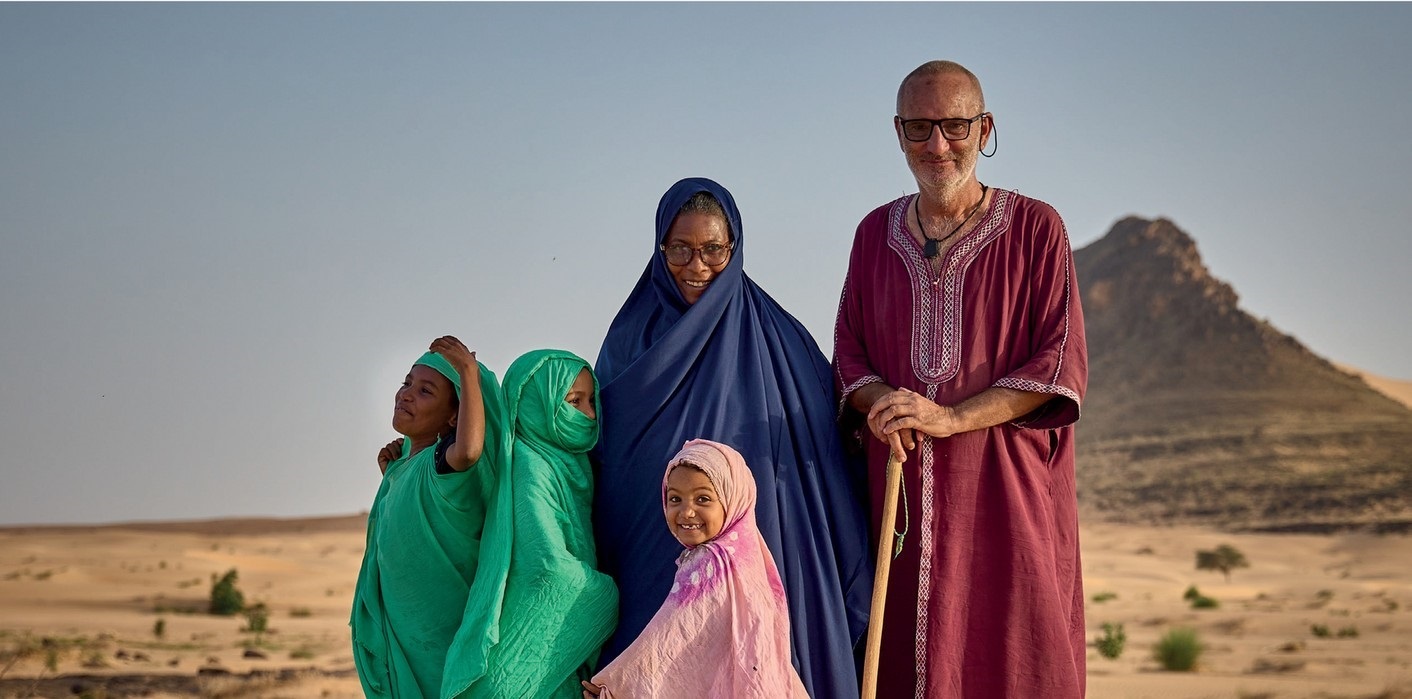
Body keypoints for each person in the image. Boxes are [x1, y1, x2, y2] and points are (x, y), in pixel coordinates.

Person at [832, 60, 1089, 697]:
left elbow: (1055, 362)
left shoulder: (1036, 229)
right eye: (919, 129)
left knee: (1008, 649)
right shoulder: (873, 235)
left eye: (954, 126)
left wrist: (949, 418)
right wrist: (883, 404)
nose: (937, 146)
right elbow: (848, 356)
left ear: (985, 128)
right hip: (899, 489)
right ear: (898, 133)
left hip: (1002, 489)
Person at [592, 177, 871, 699]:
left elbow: (825, 450)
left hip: (768, 554)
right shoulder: (629, 338)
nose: (697, 267)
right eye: (680, 249)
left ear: (735, 247)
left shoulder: (780, 339)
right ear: (659, 248)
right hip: (651, 555)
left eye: (713, 250)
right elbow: (595, 444)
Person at [581, 439, 809, 699]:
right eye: (675, 498)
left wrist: (618, 688)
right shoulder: (750, 556)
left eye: (703, 498)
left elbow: (669, 640)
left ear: (732, 499)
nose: (686, 512)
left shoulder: (711, 562)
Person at [350, 336, 512, 699]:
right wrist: (391, 476)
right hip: (405, 638)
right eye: (407, 383)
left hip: (439, 634)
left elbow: (469, 451)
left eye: (425, 391)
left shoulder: (444, 462)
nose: (406, 394)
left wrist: (468, 374)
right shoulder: (401, 470)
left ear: (454, 415)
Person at [453, 349, 619, 699]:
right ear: (535, 404)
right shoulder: (531, 467)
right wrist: (608, 595)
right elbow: (549, 570)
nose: (589, 415)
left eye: (592, 401)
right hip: (521, 667)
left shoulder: (570, 463)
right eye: (574, 401)